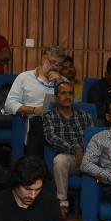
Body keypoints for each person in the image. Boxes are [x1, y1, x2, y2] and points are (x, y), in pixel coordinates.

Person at [4, 45, 67, 158]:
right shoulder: (24, 78)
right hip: (33, 121)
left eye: (59, 65)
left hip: (59, 123)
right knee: (39, 122)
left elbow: (74, 105)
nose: (55, 67)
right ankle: (35, 164)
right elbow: (9, 104)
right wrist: (34, 110)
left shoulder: (63, 82)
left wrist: (60, 83)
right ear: (43, 59)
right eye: (53, 62)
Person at [42, 80, 94, 209]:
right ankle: (62, 202)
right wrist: (75, 149)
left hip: (87, 156)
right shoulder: (49, 116)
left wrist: (82, 151)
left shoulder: (85, 116)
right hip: (69, 158)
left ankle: (90, 206)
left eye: (70, 93)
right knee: (60, 160)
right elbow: (51, 137)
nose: (67, 96)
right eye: (63, 93)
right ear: (56, 97)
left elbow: (93, 138)